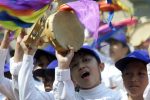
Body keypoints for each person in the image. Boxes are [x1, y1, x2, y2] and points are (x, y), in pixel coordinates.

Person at [53, 45, 123, 100]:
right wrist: (63, 66)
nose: (81, 66)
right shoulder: (71, 98)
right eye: (74, 65)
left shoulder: (119, 97)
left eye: (86, 60)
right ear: (72, 78)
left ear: (101, 66)